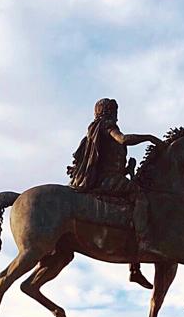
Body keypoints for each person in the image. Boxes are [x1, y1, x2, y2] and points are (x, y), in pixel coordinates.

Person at [67, 98, 164, 289]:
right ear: (109, 111)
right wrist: (150, 138)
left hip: (110, 177)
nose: (117, 114)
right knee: (140, 196)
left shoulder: (95, 129)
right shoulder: (106, 126)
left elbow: (108, 160)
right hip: (106, 181)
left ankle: (134, 269)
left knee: (131, 201)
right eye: (115, 110)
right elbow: (123, 139)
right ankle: (143, 241)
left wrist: (127, 169)